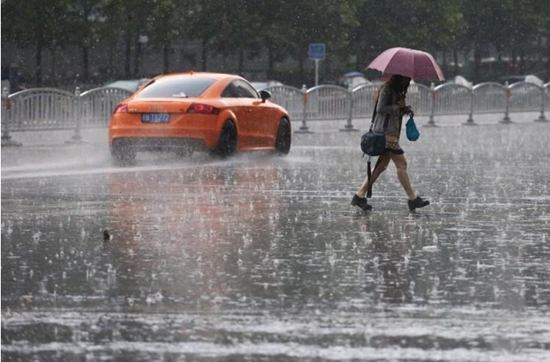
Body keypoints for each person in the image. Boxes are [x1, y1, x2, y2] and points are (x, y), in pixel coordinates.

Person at [351, 74, 429, 211]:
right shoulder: (387, 88)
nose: (408, 82)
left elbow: (393, 111)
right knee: (402, 163)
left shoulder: (397, 91)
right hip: (385, 134)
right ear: (399, 78)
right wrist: (397, 108)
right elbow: (380, 108)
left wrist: (404, 109)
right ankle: (413, 198)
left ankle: (359, 195)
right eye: (406, 80)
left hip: (391, 133)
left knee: (381, 166)